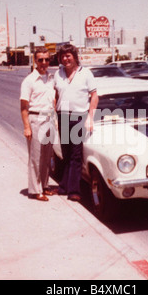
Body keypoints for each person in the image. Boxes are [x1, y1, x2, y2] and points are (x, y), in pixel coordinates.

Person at [54, 44, 98, 202]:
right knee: (65, 154)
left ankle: (74, 190)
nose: (66, 59)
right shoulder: (58, 74)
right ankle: (64, 186)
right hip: (63, 116)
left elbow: (94, 96)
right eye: (63, 56)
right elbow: (55, 95)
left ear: (74, 56)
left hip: (79, 116)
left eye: (68, 55)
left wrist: (90, 117)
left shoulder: (85, 73)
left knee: (76, 154)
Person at [20, 47, 56, 201]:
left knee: (47, 156)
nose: (44, 62)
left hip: (49, 119)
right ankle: (35, 190)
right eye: (40, 59)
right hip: (35, 119)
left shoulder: (50, 78)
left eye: (46, 59)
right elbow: (23, 107)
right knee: (36, 157)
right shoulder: (29, 81)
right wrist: (27, 127)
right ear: (35, 60)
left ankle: (45, 186)